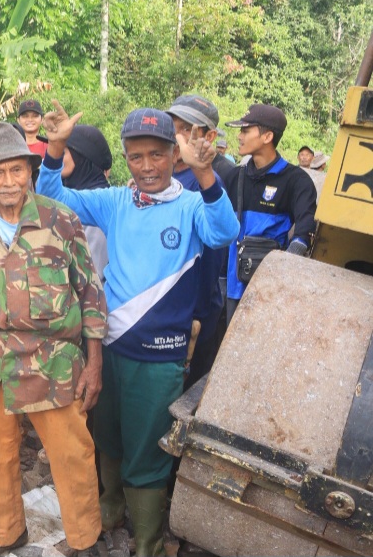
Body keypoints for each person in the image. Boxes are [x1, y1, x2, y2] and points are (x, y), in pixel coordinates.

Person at [38, 104, 240, 557]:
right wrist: (54, 148)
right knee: (107, 437)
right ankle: (110, 515)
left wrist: (206, 174)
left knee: (148, 452)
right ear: (125, 158)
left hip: (159, 356)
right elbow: (51, 199)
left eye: (156, 154)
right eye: (136, 156)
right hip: (107, 348)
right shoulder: (115, 200)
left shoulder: (191, 205)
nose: (147, 166)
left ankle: (147, 543)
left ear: (174, 155)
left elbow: (225, 232)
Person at [0, 122, 107, 557]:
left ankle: (85, 541)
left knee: (72, 456)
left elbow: (91, 294)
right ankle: (8, 533)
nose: (9, 182)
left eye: (17, 170)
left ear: (30, 171)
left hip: (52, 362)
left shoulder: (60, 220)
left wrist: (94, 364)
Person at [222, 105, 317, 320]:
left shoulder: (296, 180)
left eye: (245, 130)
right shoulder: (234, 177)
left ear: (267, 136)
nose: (239, 136)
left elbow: (305, 227)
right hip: (230, 285)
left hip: (269, 292)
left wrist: (283, 268)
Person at [164, 96, 228, 385]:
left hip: (193, 315)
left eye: (187, 129)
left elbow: (212, 258)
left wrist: (197, 316)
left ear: (209, 137)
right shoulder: (163, 177)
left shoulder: (206, 185)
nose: (177, 137)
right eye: (173, 128)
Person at [60, 125, 112, 279]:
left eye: (62, 152)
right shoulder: (68, 196)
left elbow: (91, 273)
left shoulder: (99, 204)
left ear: (80, 156)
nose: (56, 158)